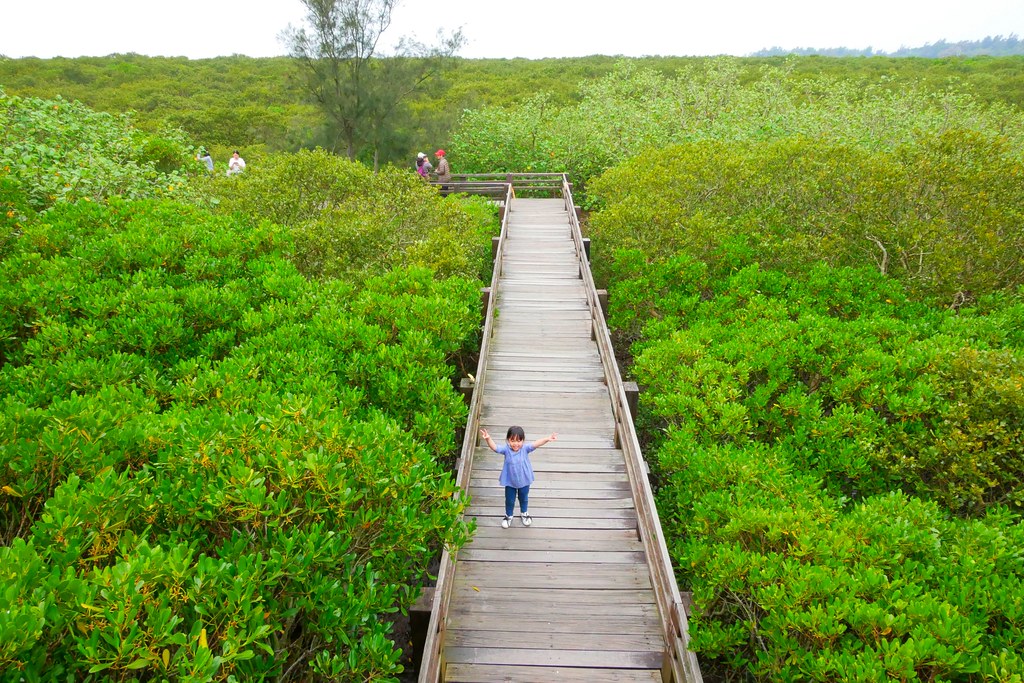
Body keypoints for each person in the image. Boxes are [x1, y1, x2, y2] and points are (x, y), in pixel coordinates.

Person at [479, 426, 558, 528]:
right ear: (508, 440)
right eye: (512, 440)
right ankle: (508, 516)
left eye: (518, 441)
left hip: (524, 480)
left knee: (523, 497)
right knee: (509, 500)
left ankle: (524, 513)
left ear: (523, 441)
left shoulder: (525, 449)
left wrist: (547, 439)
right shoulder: (506, 450)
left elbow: (536, 443)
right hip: (510, 481)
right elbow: (495, 448)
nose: (516, 444)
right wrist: (488, 439)